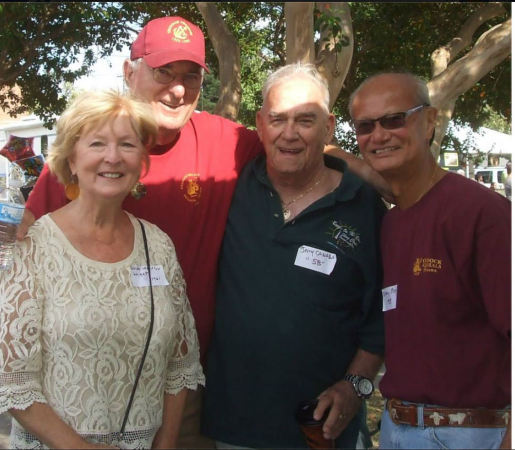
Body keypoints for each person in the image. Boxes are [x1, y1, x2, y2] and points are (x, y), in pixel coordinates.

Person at [18, 16, 390, 448]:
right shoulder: (88, 151)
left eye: (190, 77)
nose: (177, 89)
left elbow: (295, 140)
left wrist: (383, 177)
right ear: (128, 70)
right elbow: (28, 260)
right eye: (163, 73)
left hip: (188, 388)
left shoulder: (227, 143)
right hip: (81, 378)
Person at [0, 90, 204, 449]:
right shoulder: (32, 246)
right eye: (97, 143)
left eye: (127, 144)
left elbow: (180, 365)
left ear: (141, 160)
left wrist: (166, 443)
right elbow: (12, 379)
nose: (113, 157)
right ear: (72, 160)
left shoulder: (158, 246)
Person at [201, 63, 385, 449]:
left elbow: (381, 317)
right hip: (232, 426)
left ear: (329, 127)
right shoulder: (232, 188)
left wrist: (356, 387)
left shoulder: (363, 206)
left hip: (322, 430)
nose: (289, 133)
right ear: (260, 124)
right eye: (278, 119)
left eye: (305, 120)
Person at [349, 72, 511, 449]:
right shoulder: (390, 222)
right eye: (365, 126)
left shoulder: (479, 213)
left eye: (394, 119)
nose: (379, 135)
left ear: (430, 121)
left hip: (468, 433)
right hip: (396, 429)